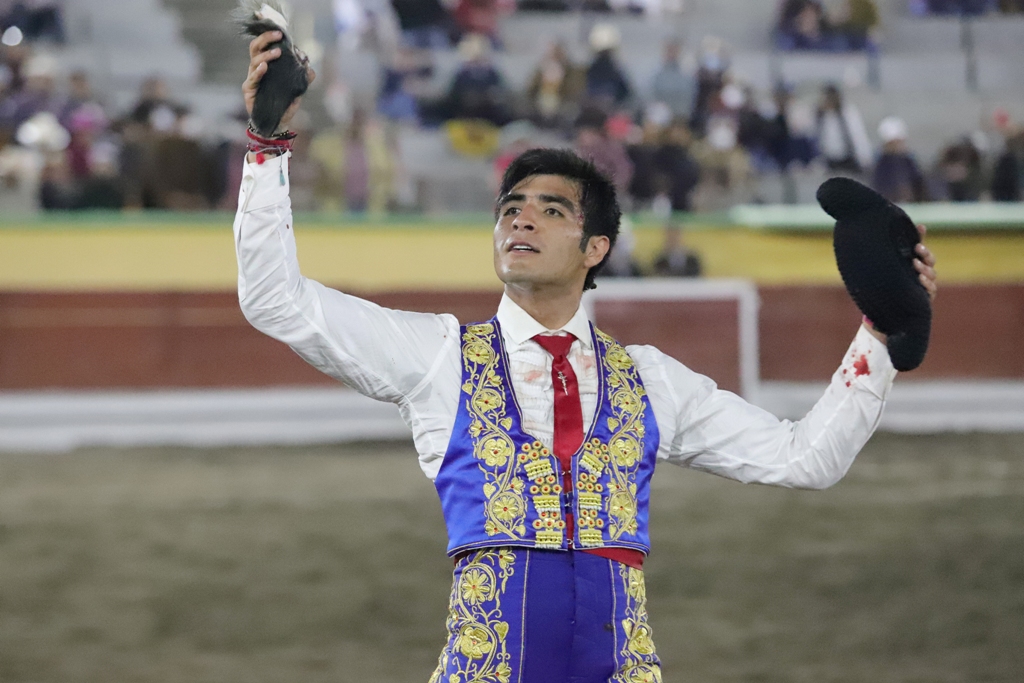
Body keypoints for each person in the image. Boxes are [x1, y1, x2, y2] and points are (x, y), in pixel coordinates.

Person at [237, 31, 939, 682]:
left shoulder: (650, 379)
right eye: (510, 207)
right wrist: (267, 147)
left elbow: (805, 458)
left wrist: (880, 333)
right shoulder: (439, 357)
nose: (521, 217)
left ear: (595, 248)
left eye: (552, 210)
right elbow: (275, 300)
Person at [815, 83, 872, 175]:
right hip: (830, 160)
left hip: (848, 157)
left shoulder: (847, 113)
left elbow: (858, 136)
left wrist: (864, 157)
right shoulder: (821, 116)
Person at [872, 116, 928, 203]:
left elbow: (919, 185)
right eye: (892, 143)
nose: (896, 146)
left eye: (898, 142)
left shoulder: (908, 160)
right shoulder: (879, 163)